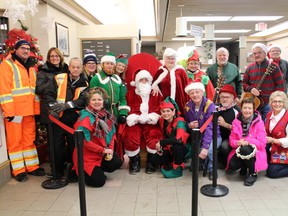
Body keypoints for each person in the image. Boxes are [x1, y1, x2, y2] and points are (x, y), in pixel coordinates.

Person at [0, 39, 45, 182]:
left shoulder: (31, 67)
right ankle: (18, 170)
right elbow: (4, 91)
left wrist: (37, 111)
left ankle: (32, 166)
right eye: (23, 48)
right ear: (16, 50)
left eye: (28, 48)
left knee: (29, 140)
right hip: (15, 113)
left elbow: (34, 92)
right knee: (15, 141)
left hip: (29, 111)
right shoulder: (7, 65)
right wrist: (9, 113)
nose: (26, 51)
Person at [44, 57, 89, 181]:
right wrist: (53, 108)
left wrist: (67, 105)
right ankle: (56, 173)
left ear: (82, 69)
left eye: (78, 67)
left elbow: (83, 101)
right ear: (68, 67)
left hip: (74, 120)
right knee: (56, 147)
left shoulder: (85, 83)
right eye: (73, 67)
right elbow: (48, 95)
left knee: (74, 147)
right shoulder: (58, 78)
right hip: (58, 119)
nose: (75, 69)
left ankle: (73, 172)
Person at [73, 87, 122, 187]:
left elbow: (112, 134)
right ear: (89, 102)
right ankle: (78, 171)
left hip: (101, 152)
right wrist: (103, 151)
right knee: (99, 182)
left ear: (103, 101)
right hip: (87, 156)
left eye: (99, 99)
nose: (97, 102)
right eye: (93, 100)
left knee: (116, 162)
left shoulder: (106, 115)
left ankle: (97, 170)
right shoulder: (85, 118)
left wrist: (110, 150)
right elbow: (84, 142)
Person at [123, 69, 163, 174]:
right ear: (137, 82)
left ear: (150, 81)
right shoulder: (130, 93)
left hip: (151, 121)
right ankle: (134, 161)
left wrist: (150, 117)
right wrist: (136, 117)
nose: (144, 82)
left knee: (155, 136)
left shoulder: (155, 93)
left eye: (146, 80)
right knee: (130, 136)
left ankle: (151, 162)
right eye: (141, 80)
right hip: (135, 121)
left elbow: (159, 109)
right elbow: (127, 108)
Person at [184, 80, 222, 180]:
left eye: (197, 92)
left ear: (202, 92)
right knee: (193, 168)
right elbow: (186, 121)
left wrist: (205, 147)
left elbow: (210, 128)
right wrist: (189, 125)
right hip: (198, 137)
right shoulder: (188, 106)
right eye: (192, 93)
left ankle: (212, 170)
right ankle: (202, 163)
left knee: (209, 151)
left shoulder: (210, 106)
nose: (195, 95)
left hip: (214, 136)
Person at [227, 97, 267, 186]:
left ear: (253, 110)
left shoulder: (259, 122)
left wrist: (247, 140)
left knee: (245, 149)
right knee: (232, 165)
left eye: (249, 108)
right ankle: (244, 167)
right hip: (239, 149)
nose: (247, 110)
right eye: (245, 108)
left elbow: (262, 143)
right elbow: (231, 140)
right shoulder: (236, 121)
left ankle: (253, 173)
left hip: (255, 151)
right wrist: (238, 142)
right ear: (241, 109)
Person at [243, 43, 284, 121]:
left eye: (259, 52)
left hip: (268, 103)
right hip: (254, 102)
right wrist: (251, 89)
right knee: (253, 124)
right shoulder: (250, 68)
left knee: (268, 125)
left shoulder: (274, 66)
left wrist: (274, 100)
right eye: (255, 53)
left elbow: (280, 86)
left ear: (265, 53)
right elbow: (244, 84)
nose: (257, 55)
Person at [90, 53, 130, 123]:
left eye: (111, 64)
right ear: (102, 65)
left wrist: (123, 113)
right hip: (102, 115)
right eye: (107, 63)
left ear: (114, 65)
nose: (109, 66)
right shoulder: (96, 79)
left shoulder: (117, 79)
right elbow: (92, 99)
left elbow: (122, 98)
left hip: (116, 114)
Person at [156, 97, 189, 178]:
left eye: (168, 111)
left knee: (176, 146)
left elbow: (179, 139)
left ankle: (177, 171)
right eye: (163, 111)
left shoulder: (180, 121)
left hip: (184, 148)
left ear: (174, 111)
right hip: (170, 147)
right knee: (155, 159)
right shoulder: (162, 121)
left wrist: (161, 142)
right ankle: (170, 163)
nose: (166, 113)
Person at [36, 47, 69, 125]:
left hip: (65, 109)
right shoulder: (43, 72)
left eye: (57, 56)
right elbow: (39, 89)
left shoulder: (67, 70)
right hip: (50, 109)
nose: (55, 58)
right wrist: (54, 81)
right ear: (48, 58)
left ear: (60, 57)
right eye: (52, 56)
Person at [152, 48, 189, 115]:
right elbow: (153, 83)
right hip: (164, 102)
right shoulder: (160, 71)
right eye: (168, 58)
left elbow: (187, 87)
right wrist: (155, 86)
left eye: (173, 59)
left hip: (179, 101)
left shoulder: (181, 71)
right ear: (165, 59)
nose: (171, 61)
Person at [265, 91, 288, 178]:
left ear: (284, 103)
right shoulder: (269, 115)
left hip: (284, 149)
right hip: (272, 147)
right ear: (271, 102)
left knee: (272, 173)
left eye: (280, 101)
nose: (277, 104)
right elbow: (265, 130)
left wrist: (273, 140)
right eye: (274, 101)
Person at [217, 84, 240, 168]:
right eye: (222, 97)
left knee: (224, 146)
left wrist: (225, 125)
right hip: (217, 138)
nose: (225, 99)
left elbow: (240, 130)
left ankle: (232, 161)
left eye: (227, 97)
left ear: (233, 98)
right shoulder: (216, 108)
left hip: (230, 140)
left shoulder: (237, 111)